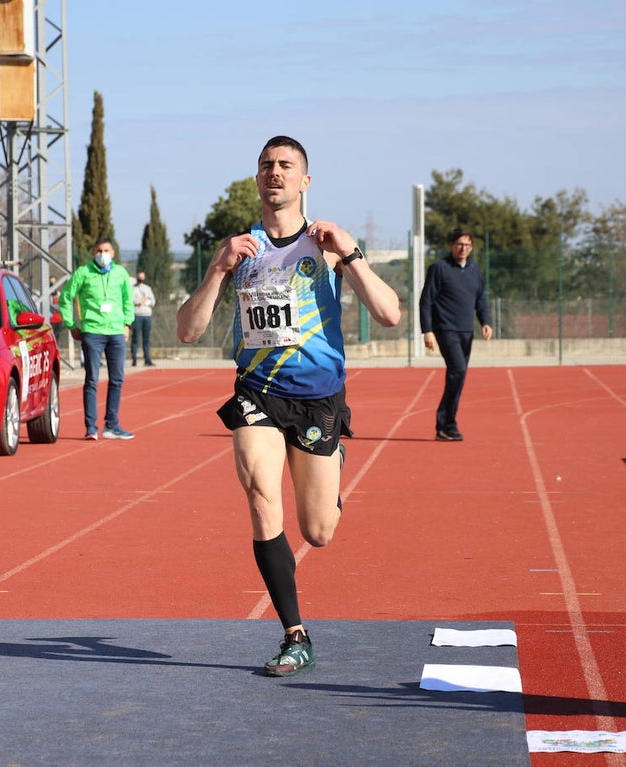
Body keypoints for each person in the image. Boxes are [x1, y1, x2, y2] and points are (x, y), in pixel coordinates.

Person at [176, 135, 401, 677]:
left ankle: (333, 462)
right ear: (257, 179)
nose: (274, 172)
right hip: (257, 391)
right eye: (266, 165)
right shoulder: (238, 249)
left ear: (305, 181)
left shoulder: (325, 244)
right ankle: (295, 634)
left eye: (285, 165)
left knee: (318, 532)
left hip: (318, 397)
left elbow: (390, 314)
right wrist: (217, 270)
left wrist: (351, 253)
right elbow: (187, 331)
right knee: (260, 493)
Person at [419, 227, 493, 442]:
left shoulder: (474, 270)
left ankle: (447, 424)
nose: (463, 248)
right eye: (459, 244)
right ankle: (446, 424)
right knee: (457, 371)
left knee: (459, 376)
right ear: (451, 245)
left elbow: (481, 299)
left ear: (472, 247)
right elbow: (426, 301)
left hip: (466, 331)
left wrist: (486, 322)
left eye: (467, 245)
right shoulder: (439, 268)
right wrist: (427, 331)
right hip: (446, 329)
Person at [59, 238, 136, 441]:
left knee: (117, 379)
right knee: (92, 379)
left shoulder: (120, 273)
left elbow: (128, 300)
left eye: (106, 250)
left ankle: (112, 425)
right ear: (94, 253)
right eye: (99, 251)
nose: (103, 254)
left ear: (113, 252)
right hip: (92, 332)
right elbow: (65, 297)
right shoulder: (83, 273)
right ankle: (90, 427)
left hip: (116, 332)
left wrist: (127, 324)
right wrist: (71, 324)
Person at [130, 270, 156, 366]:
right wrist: (140, 301)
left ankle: (147, 359)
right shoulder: (132, 289)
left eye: (142, 277)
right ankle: (134, 358)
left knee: (146, 339)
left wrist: (145, 301)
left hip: (147, 316)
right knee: (135, 338)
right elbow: (132, 300)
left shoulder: (147, 288)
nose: (140, 278)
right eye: (139, 276)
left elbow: (152, 301)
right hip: (137, 315)